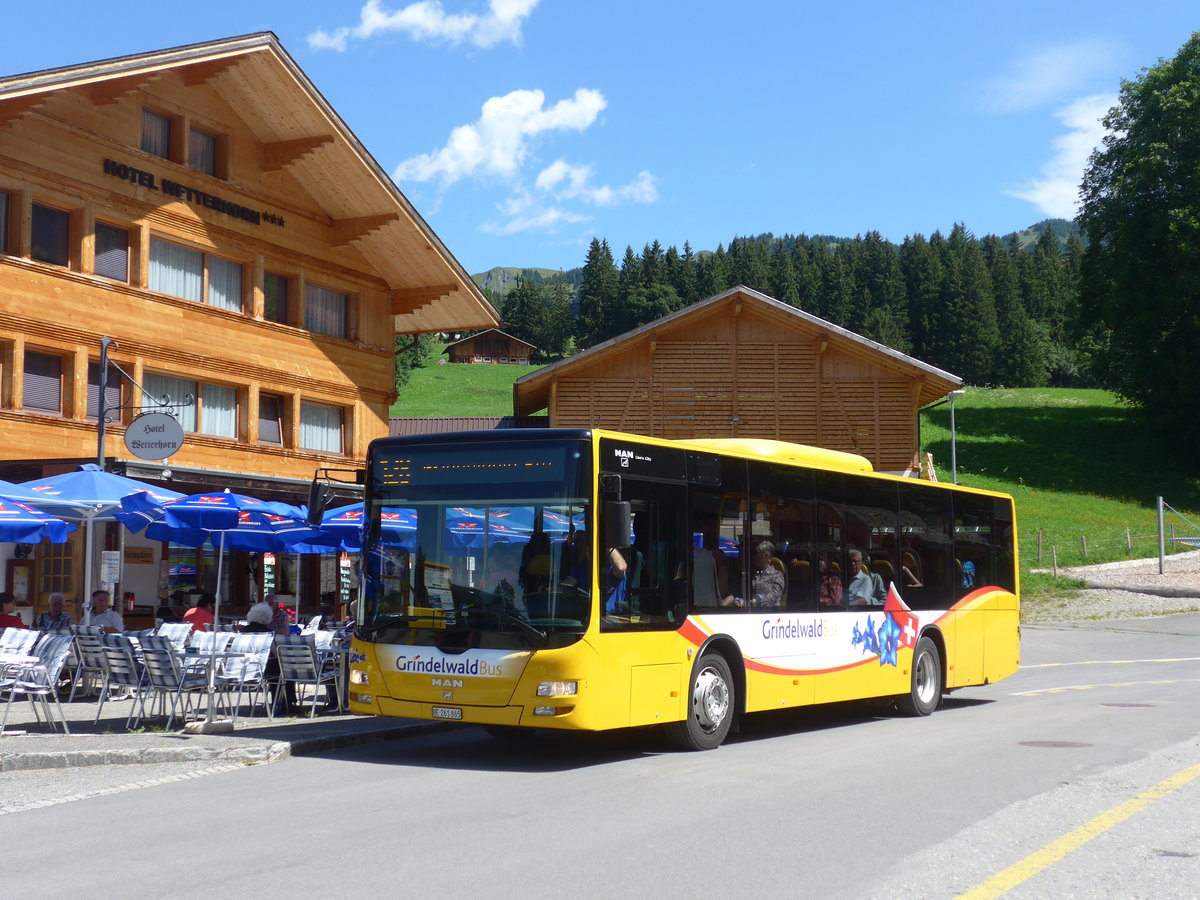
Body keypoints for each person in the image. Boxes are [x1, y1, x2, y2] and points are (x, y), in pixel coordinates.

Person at [721, 541, 785, 609]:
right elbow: (739, 593)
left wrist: (752, 602)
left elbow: (773, 596)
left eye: (755, 553)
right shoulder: (749, 574)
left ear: (766, 555)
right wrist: (737, 600)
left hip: (768, 615)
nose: (752, 556)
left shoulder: (776, 575)